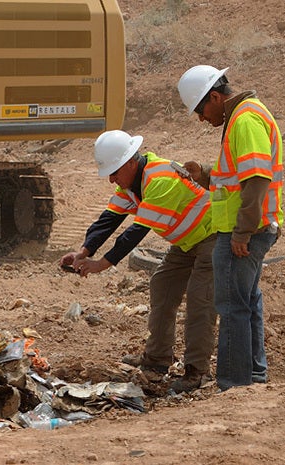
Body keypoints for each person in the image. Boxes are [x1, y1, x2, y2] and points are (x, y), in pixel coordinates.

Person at [60, 129, 216, 393]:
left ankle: (197, 372)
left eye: (115, 172)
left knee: (200, 300)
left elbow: (136, 232)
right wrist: (83, 253)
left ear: (131, 162)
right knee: (162, 286)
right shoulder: (132, 183)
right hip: (187, 241)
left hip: (213, 236)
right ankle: (157, 360)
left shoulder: (160, 179)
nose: (112, 180)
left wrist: (102, 264)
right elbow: (108, 220)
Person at [177, 65, 284, 391]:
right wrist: (206, 174)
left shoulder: (246, 119)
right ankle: (251, 378)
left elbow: (256, 180)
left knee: (232, 306)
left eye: (201, 110)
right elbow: (236, 180)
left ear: (214, 96)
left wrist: (241, 232)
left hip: (246, 231)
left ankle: (233, 385)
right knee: (247, 301)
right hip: (248, 228)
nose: (201, 118)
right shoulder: (243, 117)